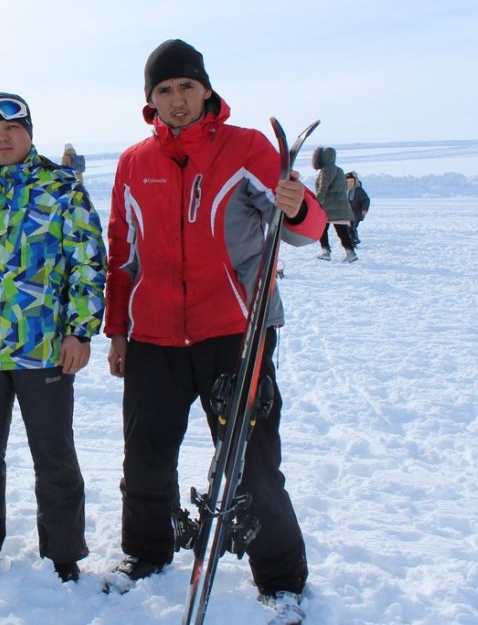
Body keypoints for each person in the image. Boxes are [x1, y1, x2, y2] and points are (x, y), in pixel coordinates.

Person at [104, 40, 324, 618]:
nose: (177, 101)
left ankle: (279, 575)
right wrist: (118, 329)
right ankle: (146, 552)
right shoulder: (133, 163)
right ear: (150, 100)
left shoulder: (247, 147)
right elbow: (122, 253)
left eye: (186, 88)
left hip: (235, 331)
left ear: (207, 90)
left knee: (249, 457)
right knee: (146, 453)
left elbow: (304, 230)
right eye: (164, 91)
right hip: (153, 335)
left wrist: (298, 205)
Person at [0, 91, 105, 584]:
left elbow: (88, 263)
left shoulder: (62, 187)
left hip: (44, 348)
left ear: (29, 132)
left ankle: (62, 553)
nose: (2, 136)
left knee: (53, 452)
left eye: (12, 127)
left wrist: (80, 331)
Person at [312, 146, 358, 262]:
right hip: (341, 207)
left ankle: (325, 251)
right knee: (342, 231)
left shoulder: (326, 170)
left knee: (321, 229)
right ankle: (350, 253)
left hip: (328, 208)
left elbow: (323, 188)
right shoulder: (339, 170)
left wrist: (317, 203)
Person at [346, 171, 370, 246]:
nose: (349, 183)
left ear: (355, 181)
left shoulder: (359, 191)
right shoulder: (346, 191)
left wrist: (364, 211)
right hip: (348, 213)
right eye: (347, 181)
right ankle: (352, 240)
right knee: (349, 227)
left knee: (351, 227)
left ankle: (354, 240)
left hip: (357, 213)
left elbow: (366, 200)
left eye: (351, 181)